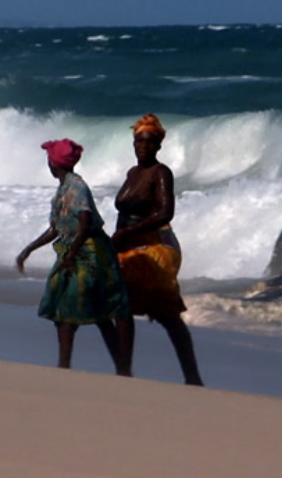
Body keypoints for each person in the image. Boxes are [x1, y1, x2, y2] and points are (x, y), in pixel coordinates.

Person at [16, 138, 132, 374]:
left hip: (90, 254)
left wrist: (73, 253)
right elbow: (56, 228)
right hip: (74, 251)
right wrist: (29, 249)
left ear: (53, 164)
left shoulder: (76, 187)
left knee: (83, 310)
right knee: (73, 311)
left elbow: (85, 220)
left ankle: (85, 366)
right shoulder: (62, 189)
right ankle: (85, 365)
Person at [113, 114, 204, 385]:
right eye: (138, 142)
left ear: (158, 146)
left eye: (149, 142)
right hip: (130, 247)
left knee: (165, 313)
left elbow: (166, 212)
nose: (143, 146)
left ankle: (192, 377)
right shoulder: (133, 173)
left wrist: (129, 232)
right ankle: (124, 370)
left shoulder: (160, 172)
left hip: (155, 246)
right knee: (123, 307)